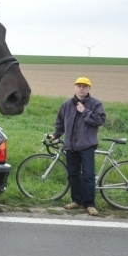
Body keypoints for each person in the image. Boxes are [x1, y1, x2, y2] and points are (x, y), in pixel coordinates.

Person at [50, 77, 106, 216]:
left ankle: (90, 204)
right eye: (79, 86)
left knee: (88, 176)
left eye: (84, 86)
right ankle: (76, 201)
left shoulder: (95, 104)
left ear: (89, 89)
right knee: (73, 175)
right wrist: (56, 134)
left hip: (87, 145)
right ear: (75, 88)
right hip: (70, 145)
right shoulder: (66, 104)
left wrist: (84, 111)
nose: (81, 88)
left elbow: (100, 120)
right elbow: (60, 121)